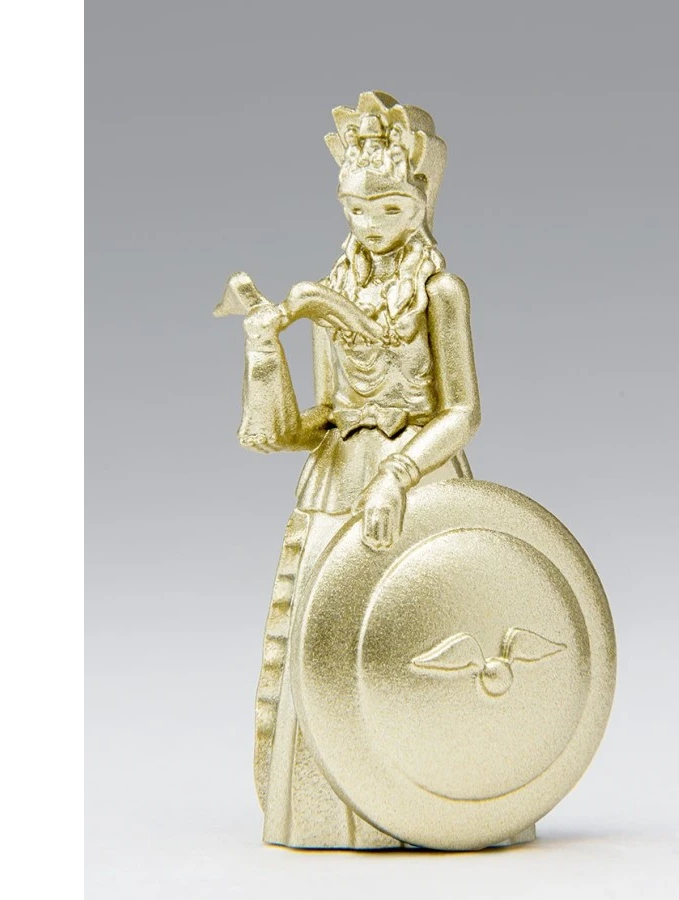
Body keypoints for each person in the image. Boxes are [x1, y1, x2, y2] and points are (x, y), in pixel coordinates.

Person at [238, 92, 482, 848]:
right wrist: (264, 356)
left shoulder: (441, 292)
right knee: (325, 643)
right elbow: (311, 424)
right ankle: (330, 813)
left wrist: (398, 474)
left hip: (415, 481)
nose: (371, 224)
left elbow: (462, 410)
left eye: (390, 208)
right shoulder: (332, 292)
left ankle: (443, 801)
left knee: (430, 642)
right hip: (337, 482)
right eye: (357, 210)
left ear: (423, 201)